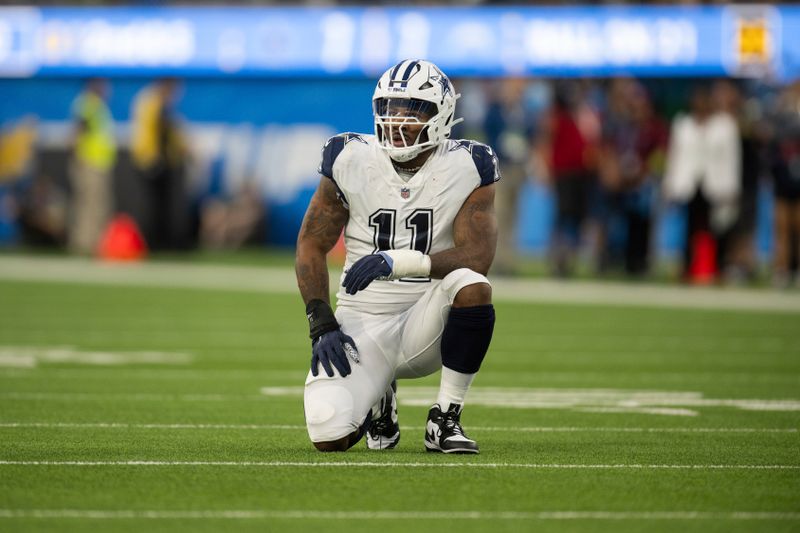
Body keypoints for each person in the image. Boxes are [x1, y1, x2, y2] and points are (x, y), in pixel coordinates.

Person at [295, 59, 499, 454]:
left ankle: (445, 418)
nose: (395, 119)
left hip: (428, 319)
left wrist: (401, 262)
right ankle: (380, 399)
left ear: (441, 115)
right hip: (362, 323)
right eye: (388, 107)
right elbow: (311, 243)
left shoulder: (469, 164)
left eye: (411, 109)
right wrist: (320, 320)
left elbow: (478, 255)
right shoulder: (348, 156)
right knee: (327, 433)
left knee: (473, 285)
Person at [664, 84, 741, 281]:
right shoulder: (683, 124)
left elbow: (732, 158)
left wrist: (732, 186)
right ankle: (689, 266)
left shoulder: (725, 125)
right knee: (689, 226)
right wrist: (670, 183)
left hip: (716, 183)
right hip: (689, 183)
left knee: (717, 227)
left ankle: (716, 267)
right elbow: (676, 156)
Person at [130, 78, 189, 250]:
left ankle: (155, 242)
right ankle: (156, 242)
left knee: (154, 205)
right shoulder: (156, 102)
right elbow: (164, 131)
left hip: (146, 158)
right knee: (156, 206)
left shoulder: (145, 99)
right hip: (154, 160)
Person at [68, 78, 116, 255]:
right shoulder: (87, 104)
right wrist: (79, 160)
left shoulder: (97, 106)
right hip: (89, 162)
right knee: (89, 204)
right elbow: (77, 132)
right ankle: (83, 243)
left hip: (98, 163)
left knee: (98, 205)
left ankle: (95, 242)